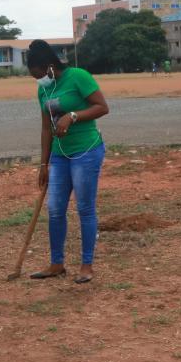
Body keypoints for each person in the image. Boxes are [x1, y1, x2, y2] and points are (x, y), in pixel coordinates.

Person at [21, 40, 108, 286]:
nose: (38, 80)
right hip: (59, 156)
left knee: (85, 209)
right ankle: (56, 264)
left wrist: (72, 116)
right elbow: (46, 128)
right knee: (55, 209)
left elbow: (102, 107)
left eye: (39, 74)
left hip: (86, 151)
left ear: (49, 67)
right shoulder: (43, 90)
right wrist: (43, 164)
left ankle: (86, 265)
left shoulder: (78, 77)